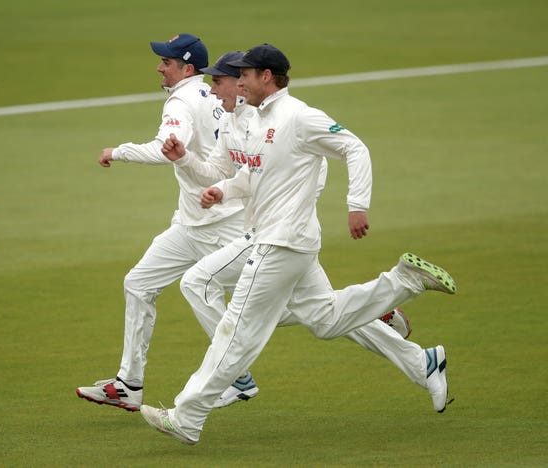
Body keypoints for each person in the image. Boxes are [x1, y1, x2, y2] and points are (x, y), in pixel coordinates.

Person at [139, 44, 457, 445]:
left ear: (265, 77)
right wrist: (218, 185)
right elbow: (251, 177)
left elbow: (354, 148)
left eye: (243, 76)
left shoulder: (299, 116)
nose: (237, 84)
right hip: (283, 239)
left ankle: (187, 416)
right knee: (325, 320)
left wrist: (357, 206)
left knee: (236, 332)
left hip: (281, 240)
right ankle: (405, 289)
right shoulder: (256, 120)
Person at [75, 34, 247, 411]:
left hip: (223, 225)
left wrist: (116, 151)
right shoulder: (210, 95)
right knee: (138, 284)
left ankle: (368, 313)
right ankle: (128, 384)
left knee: (292, 304)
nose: (159, 67)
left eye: (166, 62)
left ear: (187, 68)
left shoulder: (183, 100)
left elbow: (166, 148)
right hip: (191, 223)